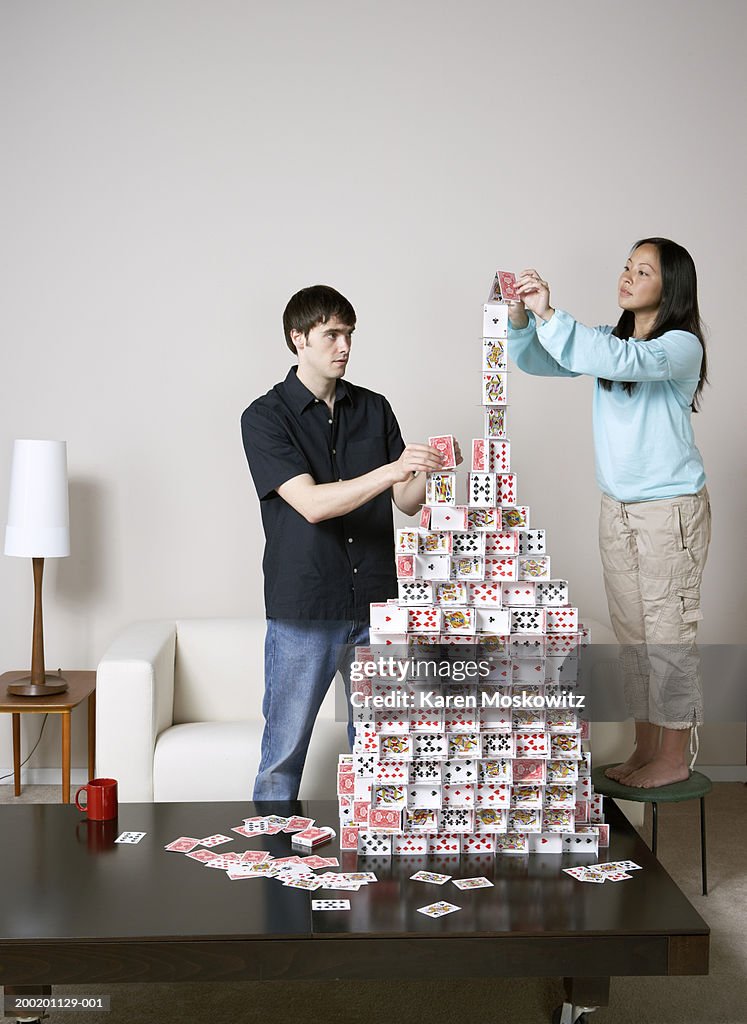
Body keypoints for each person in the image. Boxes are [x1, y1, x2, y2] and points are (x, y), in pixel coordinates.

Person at [242, 284, 460, 801]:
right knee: (283, 753)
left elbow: (406, 501)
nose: (344, 346)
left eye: (349, 335)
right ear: (298, 338)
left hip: (378, 604)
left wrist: (428, 469)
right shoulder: (265, 417)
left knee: (379, 746)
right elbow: (314, 504)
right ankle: (272, 868)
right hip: (306, 608)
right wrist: (391, 469)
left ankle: (372, 866)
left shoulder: (375, 408)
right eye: (331, 335)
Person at [507, 239, 710, 789]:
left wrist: (551, 313)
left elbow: (617, 361)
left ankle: (674, 755)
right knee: (634, 633)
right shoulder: (605, 339)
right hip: (616, 507)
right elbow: (537, 359)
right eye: (627, 266)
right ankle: (647, 749)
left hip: (669, 509)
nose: (627, 277)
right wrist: (523, 316)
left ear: (670, 289)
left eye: (642, 271)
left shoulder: (679, 346)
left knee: (668, 632)